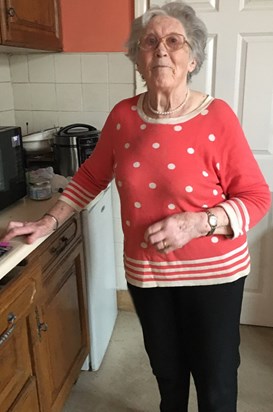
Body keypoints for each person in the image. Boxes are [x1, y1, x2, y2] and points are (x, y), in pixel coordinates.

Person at [1, 2, 271, 411]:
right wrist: (48, 221)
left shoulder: (217, 117)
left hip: (214, 275)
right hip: (148, 276)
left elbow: (257, 197)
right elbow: (91, 178)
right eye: (150, 42)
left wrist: (200, 222)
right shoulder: (124, 117)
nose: (161, 50)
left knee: (216, 381)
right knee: (167, 372)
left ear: (192, 57)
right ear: (138, 58)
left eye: (174, 41)